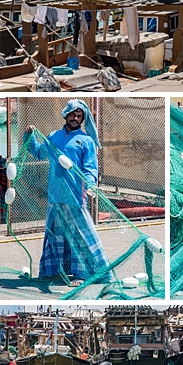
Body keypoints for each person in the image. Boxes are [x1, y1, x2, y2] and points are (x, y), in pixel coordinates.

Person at [24, 99, 111, 287]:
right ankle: (53, 271)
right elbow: (39, 152)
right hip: (55, 195)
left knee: (80, 234)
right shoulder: (53, 136)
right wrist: (29, 135)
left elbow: (90, 167)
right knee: (55, 234)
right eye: (73, 115)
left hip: (75, 196)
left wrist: (90, 184)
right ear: (66, 114)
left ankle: (83, 273)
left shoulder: (86, 141)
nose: (76, 118)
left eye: (80, 116)